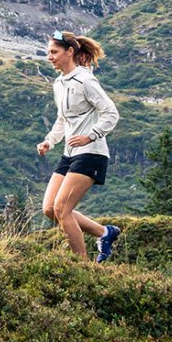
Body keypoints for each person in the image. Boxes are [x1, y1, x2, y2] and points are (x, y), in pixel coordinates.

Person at [36, 30, 121, 262]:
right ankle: (105, 233)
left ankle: (82, 267)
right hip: (69, 153)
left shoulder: (85, 80)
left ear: (70, 51)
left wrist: (91, 136)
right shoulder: (58, 83)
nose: (49, 57)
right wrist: (49, 141)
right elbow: (63, 118)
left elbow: (111, 114)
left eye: (54, 52)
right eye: (48, 53)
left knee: (62, 209)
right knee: (50, 209)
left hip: (91, 153)